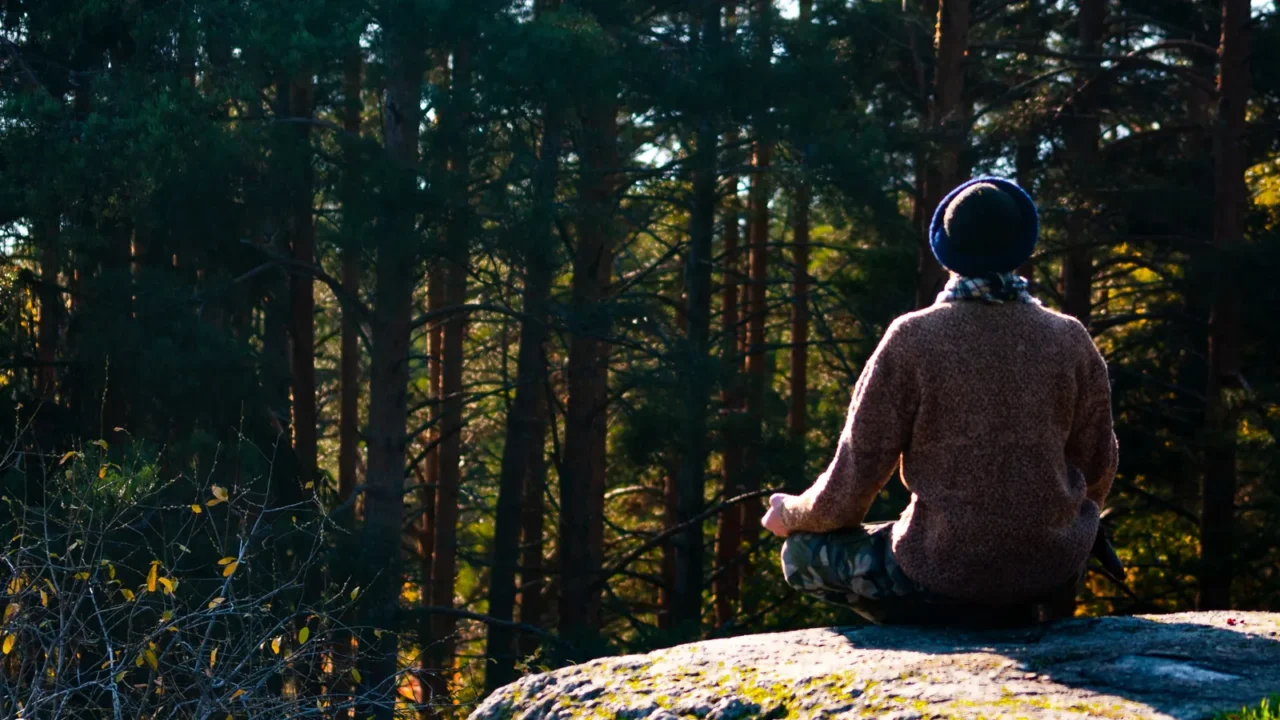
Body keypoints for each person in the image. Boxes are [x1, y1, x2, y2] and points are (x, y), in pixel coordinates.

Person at [761, 177, 1119, 626]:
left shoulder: (912, 338)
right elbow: (1098, 469)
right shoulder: (1070, 338)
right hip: (1051, 574)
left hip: (941, 575)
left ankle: (928, 629)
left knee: (800, 554)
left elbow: (847, 494)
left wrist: (789, 513)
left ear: (946, 250)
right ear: (1022, 248)